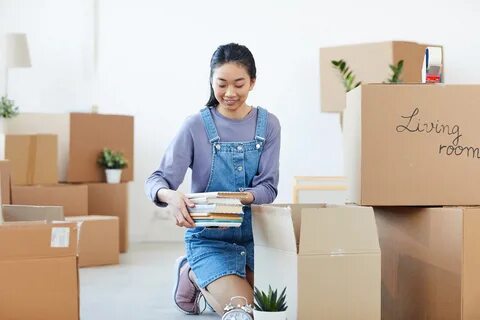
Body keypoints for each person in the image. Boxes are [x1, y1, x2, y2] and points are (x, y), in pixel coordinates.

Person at [145, 43, 281, 317]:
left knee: (273, 305)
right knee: (242, 311)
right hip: (209, 239)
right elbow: (157, 180)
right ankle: (193, 272)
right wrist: (170, 196)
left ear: (252, 82)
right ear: (211, 81)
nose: (230, 93)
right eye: (221, 84)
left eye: (239, 84)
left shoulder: (269, 124)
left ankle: (199, 274)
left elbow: (268, 188)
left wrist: (236, 199)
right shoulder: (195, 125)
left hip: (257, 239)